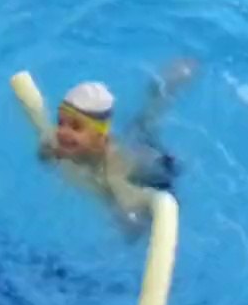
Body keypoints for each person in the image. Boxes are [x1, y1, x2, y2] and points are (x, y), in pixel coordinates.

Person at [19, 59, 197, 230]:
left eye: (76, 127)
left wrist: (129, 222)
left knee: (145, 124)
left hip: (156, 171)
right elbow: (44, 156)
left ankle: (168, 84)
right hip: (132, 146)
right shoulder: (64, 143)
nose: (63, 132)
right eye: (60, 122)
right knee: (139, 127)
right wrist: (46, 153)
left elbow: (130, 215)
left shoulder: (111, 171)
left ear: (100, 139)